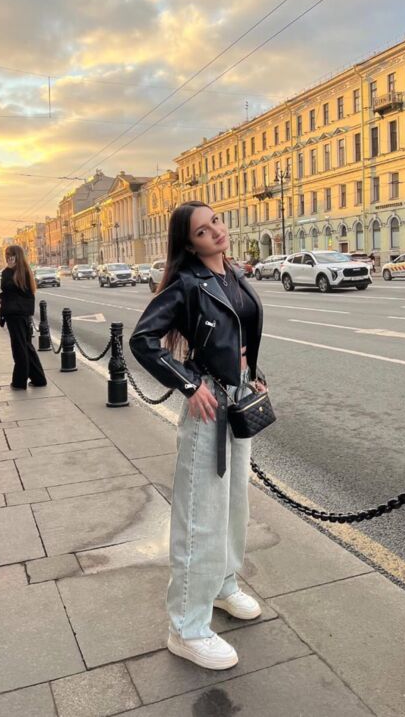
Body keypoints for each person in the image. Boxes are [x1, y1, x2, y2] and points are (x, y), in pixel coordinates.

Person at [130, 201, 268, 672]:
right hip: (209, 404)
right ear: (189, 244)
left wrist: (254, 373)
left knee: (234, 502)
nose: (216, 232)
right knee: (201, 514)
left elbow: (238, 334)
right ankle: (186, 628)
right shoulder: (187, 283)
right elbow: (143, 341)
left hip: (238, 396)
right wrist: (189, 385)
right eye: (203, 230)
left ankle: (224, 585)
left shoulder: (232, 274)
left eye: (216, 222)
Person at [0, 245, 47, 390]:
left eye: (10, 255)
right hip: (21, 313)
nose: (8, 258)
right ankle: (38, 378)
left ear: (16, 256)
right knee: (26, 346)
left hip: (16, 314)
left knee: (19, 347)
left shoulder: (15, 272)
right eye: (6, 255)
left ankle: (19, 382)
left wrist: (8, 269)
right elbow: (15, 291)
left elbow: (7, 286)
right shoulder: (24, 271)